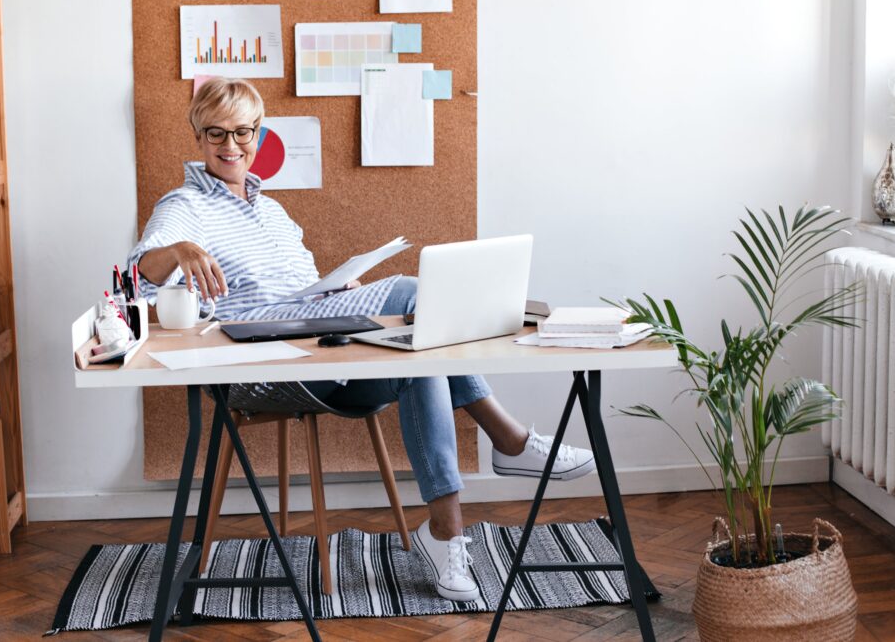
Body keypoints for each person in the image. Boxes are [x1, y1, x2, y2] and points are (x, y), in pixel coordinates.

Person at [128, 77, 595, 603]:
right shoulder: (185, 205)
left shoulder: (272, 212)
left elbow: (296, 295)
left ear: (259, 133)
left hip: (315, 345)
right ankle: (508, 440)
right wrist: (182, 250)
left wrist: (337, 290)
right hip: (259, 361)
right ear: (197, 136)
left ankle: (444, 534)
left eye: (242, 132)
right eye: (216, 133)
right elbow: (143, 266)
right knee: (416, 292)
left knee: (425, 355)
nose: (231, 146)